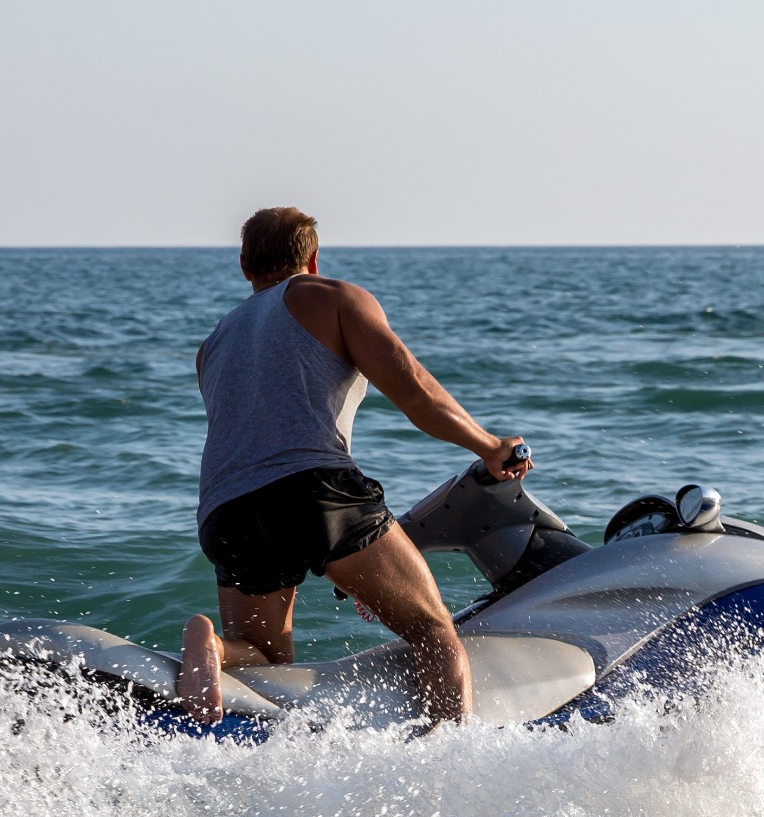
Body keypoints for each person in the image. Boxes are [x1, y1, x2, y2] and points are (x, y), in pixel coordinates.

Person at [179, 206, 532, 725]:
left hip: (225, 510)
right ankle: (450, 763)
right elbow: (418, 395)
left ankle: (213, 645)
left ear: (244, 265)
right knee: (433, 632)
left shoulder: (213, 345)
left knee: (264, 655)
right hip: (313, 489)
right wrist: (489, 447)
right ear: (313, 258)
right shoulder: (333, 298)